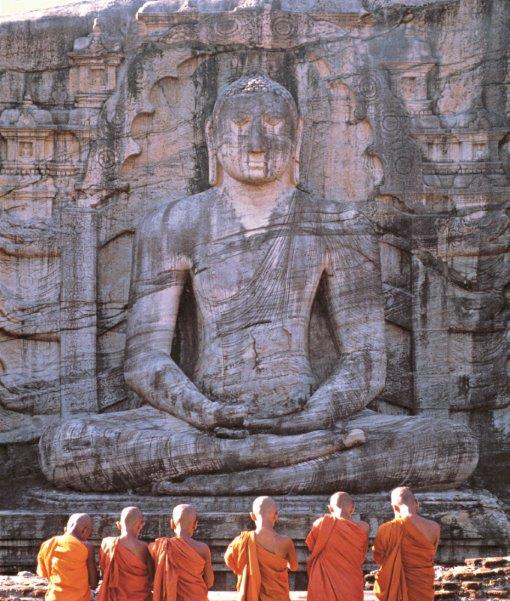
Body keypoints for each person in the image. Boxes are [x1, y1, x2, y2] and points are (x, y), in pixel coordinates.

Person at [39, 74, 478, 497]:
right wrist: (205, 412)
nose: (256, 142)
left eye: (272, 124)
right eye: (239, 124)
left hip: (307, 416)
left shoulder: (340, 224)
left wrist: (313, 415)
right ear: (212, 136)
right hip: (202, 422)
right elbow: (144, 359)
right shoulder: (172, 224)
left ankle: (235, 470)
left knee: (449, 445)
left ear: (297, 136)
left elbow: (365, 363)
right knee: (68, 445)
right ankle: (286, 463)